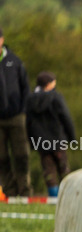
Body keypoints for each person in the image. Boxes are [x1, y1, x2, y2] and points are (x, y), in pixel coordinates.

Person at [25, 72, 74, 197]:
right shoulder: (56, 97)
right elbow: (65, 117)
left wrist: (32, 142)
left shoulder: (30, 99)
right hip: (57, 140)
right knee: (64, 170)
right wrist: (72, 137)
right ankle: (68, 196)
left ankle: (54, 198)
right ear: (48, 84)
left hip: (41, 143)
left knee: (49, 172)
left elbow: (28, 123)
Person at [0, 27, 30, 197]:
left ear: (2, 40)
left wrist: (24, 109)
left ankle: (24, 191)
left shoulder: (15, 61)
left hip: (17, 116)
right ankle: (9, 192)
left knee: (21, 155)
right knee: (2, 158)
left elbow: (26, 87)